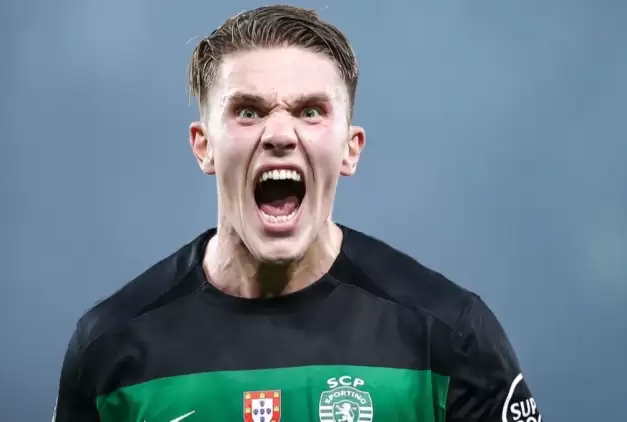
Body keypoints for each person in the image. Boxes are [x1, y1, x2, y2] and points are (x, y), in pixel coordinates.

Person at [53, 5, 541, 422]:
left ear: (350, 148)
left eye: (310, 111)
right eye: (248, 111)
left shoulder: (449, 337)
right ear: (204, 146)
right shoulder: (110, 347)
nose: (281, 135)